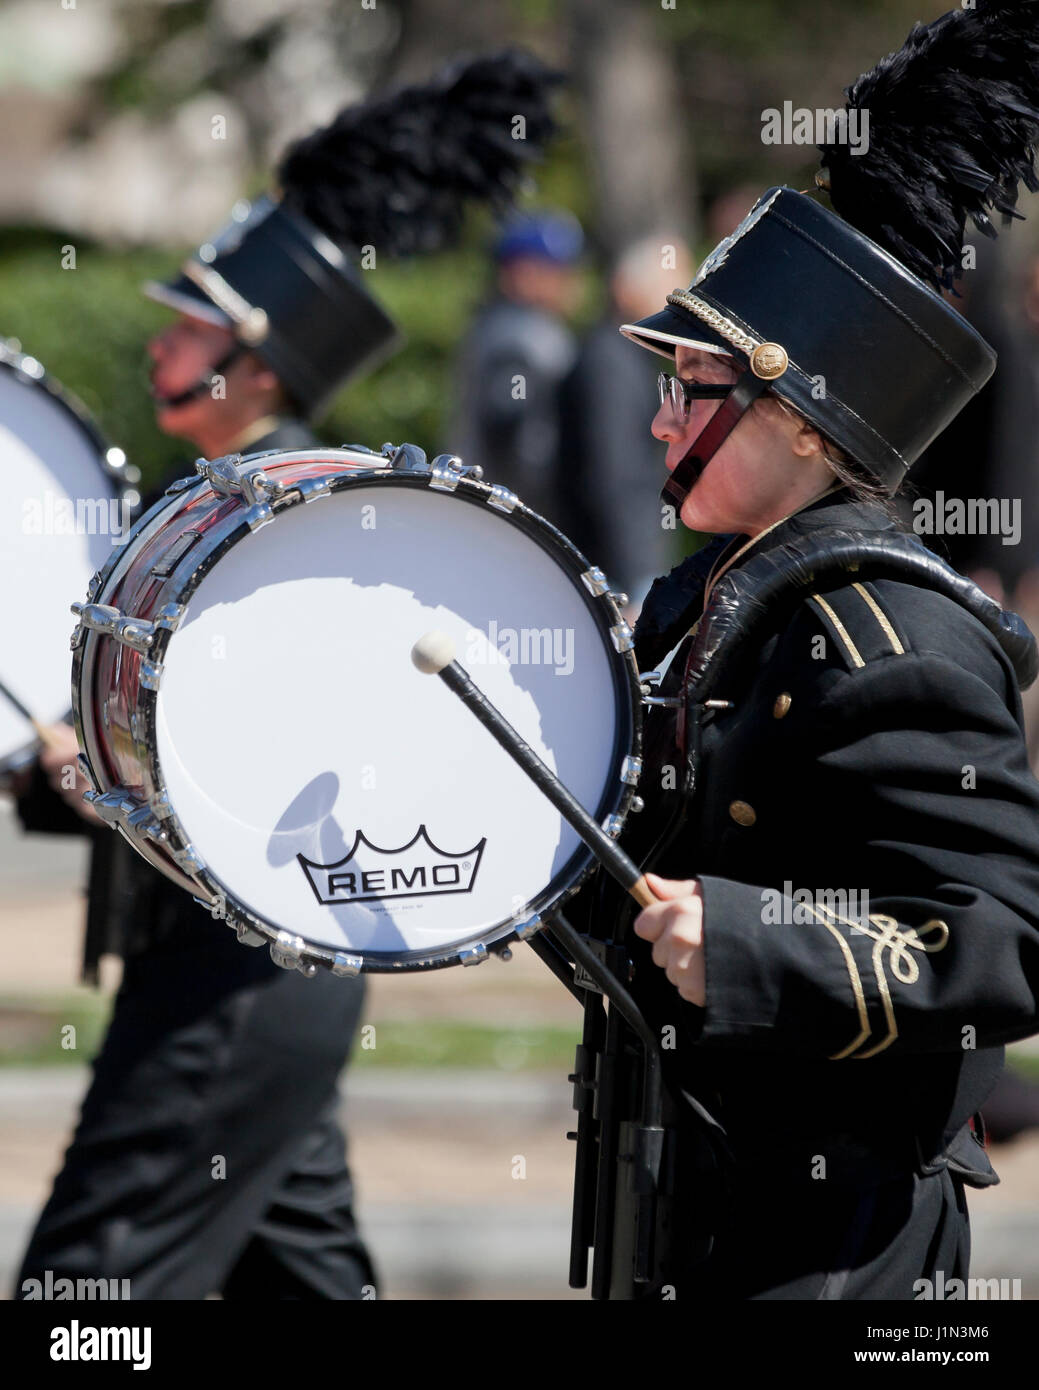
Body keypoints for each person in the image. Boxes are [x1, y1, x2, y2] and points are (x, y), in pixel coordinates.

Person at [13, 49, 559, 1300]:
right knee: (302, 1281)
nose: (161, 341)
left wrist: (93, 770)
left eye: (191, 324)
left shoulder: (295, 522)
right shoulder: (209, 502)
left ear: (260, 365)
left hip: (241, 979)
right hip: (242, 972)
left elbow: (273, 765)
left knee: (87, 1297)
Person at [568, 1, 1039, 1299]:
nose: (660, 418)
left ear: (806, 424)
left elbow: (998, 941)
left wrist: (762, 942)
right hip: (674, 1180)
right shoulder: (689, 602)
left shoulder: (902, 640)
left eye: (693, 387)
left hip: (829, 1227)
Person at [556, 233, 692, 609]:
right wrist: (632, 577)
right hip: (616, 568)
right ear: (625, 289)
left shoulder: (622, 357)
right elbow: (612, 474)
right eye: (668, 287)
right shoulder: (610, 362)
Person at [448, 209, 582, 524]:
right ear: (518, 273)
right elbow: (512, 437)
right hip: (515, 512)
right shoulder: (520, 338)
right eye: (553, 269)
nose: (567, 281)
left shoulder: (504, 327)